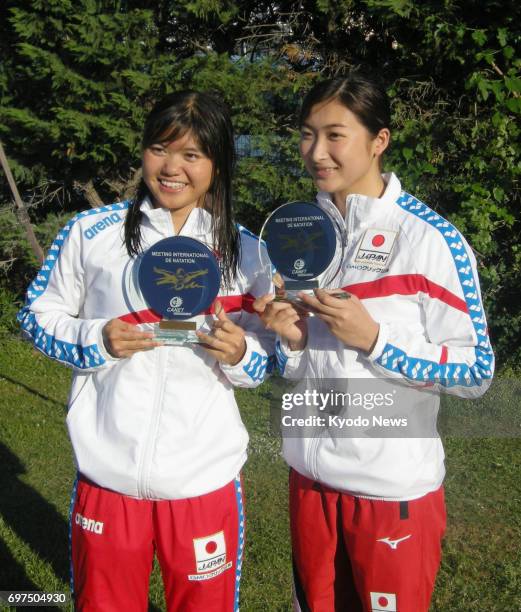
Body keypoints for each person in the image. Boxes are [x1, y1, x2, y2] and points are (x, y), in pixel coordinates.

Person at [18, 90, 274, 611]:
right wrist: (96, 340)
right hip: (107, 476)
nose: (172, 168)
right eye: (161, 148)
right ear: (143, 151)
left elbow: (267, 358)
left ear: (217, 164)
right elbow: (35, 317)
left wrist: (241, 352)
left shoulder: (249, 253)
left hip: (203, 481)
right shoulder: (91, 234)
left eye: (192, 155)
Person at [254, 73, 494, 612]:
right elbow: (297, 369)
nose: (317, 152)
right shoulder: (298, 232)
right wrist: (291, 343)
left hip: (390, 493)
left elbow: (477, 371)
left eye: (335, 135)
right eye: (307, 134)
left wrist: (376, 340)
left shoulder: (430, 240)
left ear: (379, 140)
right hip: (309, 481)